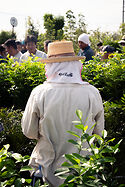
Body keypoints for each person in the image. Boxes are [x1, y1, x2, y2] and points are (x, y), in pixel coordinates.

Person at [21, 41, 104, 187]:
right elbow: (99, 134)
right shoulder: (92, 92)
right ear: (74, 64)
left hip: (46, 170)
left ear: (51, 65)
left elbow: (29, 132)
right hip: (81, 172)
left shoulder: (40, 93)